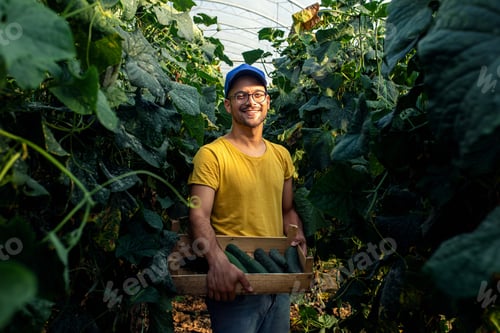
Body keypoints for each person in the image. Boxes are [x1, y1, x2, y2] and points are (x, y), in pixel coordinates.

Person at [187, 63, 307, 333]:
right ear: (228, 105)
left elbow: (287, 209)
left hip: (277, 280)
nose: (250, 101)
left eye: (257, 94)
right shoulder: (211, 155)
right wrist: (218, 264)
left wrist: (297, 235)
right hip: (234, 281)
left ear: (267, 102)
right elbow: (197, 215)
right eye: (240, 95)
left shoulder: (281, 156)